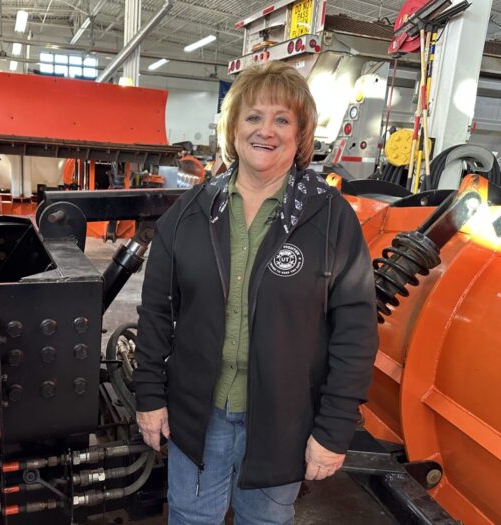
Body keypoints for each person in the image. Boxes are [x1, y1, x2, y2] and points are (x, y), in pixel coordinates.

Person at [133, 62, 378, 525]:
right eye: (253, 117)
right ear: (233, 128)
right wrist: (149, 395)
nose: (266, 131)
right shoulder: (189, 214)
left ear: (300, 134)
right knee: (190, 517)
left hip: (282, 418)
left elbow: (355, 333)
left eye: (282, 120)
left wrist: (334, 429)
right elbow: (156, 315)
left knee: (265, 521)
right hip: (197, 412)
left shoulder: (330, 219)